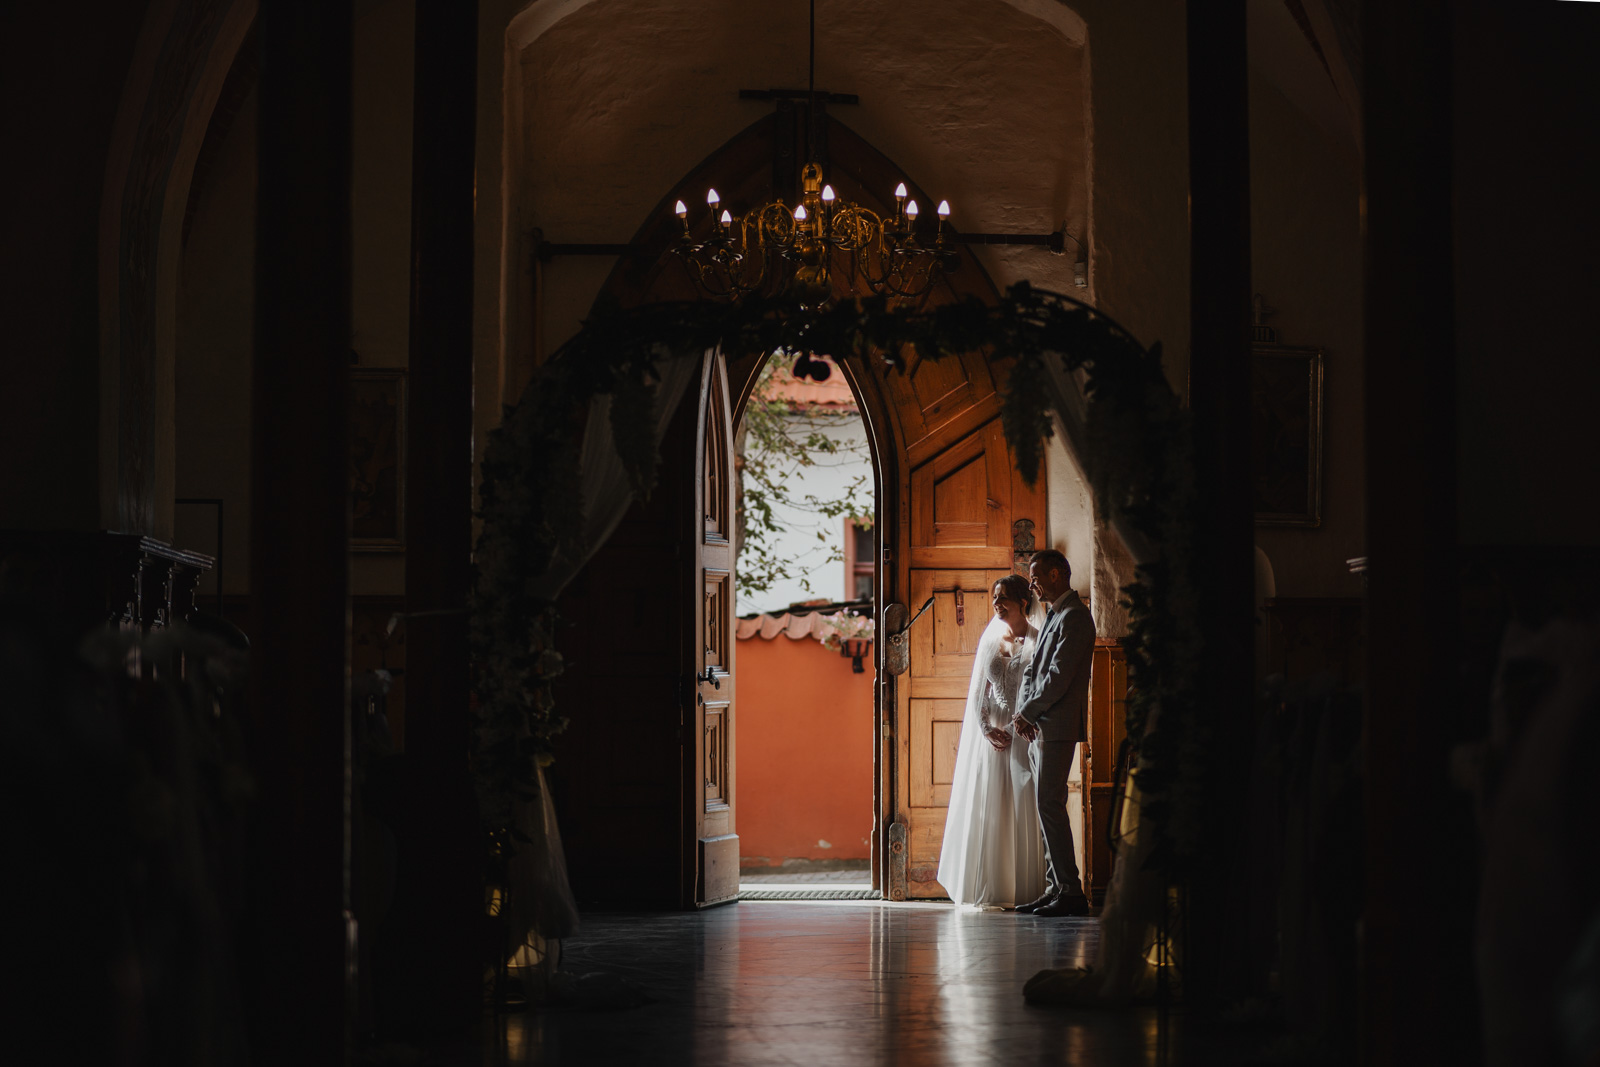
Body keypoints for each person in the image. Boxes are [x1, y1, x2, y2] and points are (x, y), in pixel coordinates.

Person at [936, 574, 1047, 908]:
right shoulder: (991, 641)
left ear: (1022, 603)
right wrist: (985, 728)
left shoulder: (1038, 640)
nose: (997, 604)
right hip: (993, 732)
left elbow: (1042, 689)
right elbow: (978, 691)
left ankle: (1024, 888)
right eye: (995, 598)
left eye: (1003, 598)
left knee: (1021, 799)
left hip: (1025, 731)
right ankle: (990, 886)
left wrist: (1019, 724)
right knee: (991, 803)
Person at [1011, 549, 1095, 917]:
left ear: (1056, 574)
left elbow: (1059, 676)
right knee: (1046, 806)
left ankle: (1071, 892)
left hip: (1056, 726)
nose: (1032, 585)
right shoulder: (1054, 614)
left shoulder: (1075, 616)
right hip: (1039, 725)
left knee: (1050, 805)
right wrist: (1024, 713)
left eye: (1036, 577)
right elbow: (1033, 670)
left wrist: (1029, 712)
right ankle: (1055, 887)